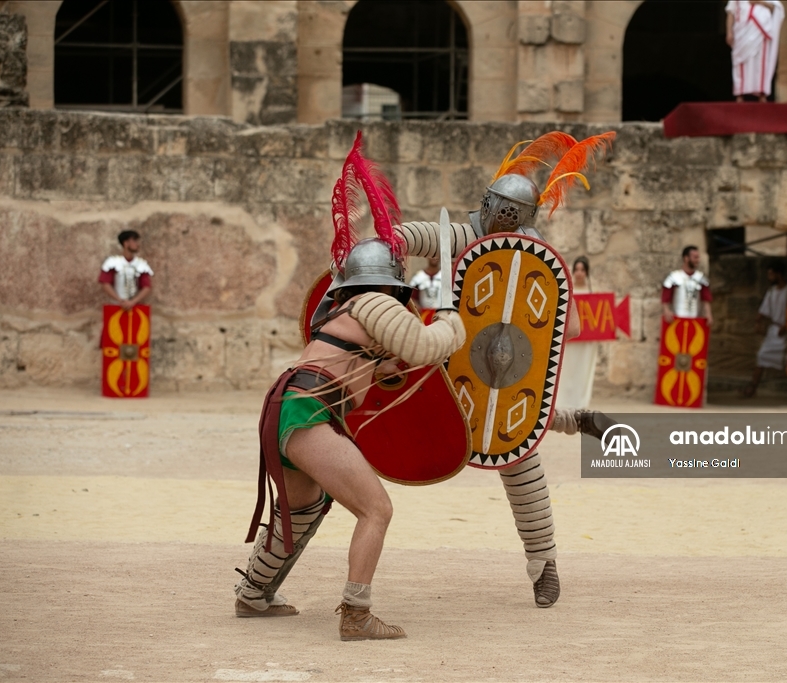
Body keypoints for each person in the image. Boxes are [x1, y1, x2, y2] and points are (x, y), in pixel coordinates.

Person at [234, 133, 467, 641]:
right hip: (307, 413)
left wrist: (389, 367)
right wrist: (450, 313)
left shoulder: (339, 308)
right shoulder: (374, 304)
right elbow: (429, 346)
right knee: (376, 508)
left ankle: (253, 594)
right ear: (390, 282)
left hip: (289, 408)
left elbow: (378, 366)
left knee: (303, 507)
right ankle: (356, 615)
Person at [393, 131, 619, 609]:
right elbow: (423, 235)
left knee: (516, 452)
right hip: (449, 358)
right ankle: (574, 421)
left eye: (513, 218)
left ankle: (544, 565)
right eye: (503, 214)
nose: (504, 222)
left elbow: (568, 326)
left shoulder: (535, 256)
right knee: (414, 412)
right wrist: (387, 243)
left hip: (500, 368)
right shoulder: (465, 235)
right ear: (490, 205)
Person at [742, 262, 787, 398]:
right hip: (774, 331)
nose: (769, 277)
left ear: (779, 274)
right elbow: (764, 311)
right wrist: (758, 322)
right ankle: (753, 387)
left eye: (771, 274)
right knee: (761, 356)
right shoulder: (771, 291)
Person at [557, 256, 599, 410]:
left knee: (582, 369)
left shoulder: (594, 294)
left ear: (586, 272)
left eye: (582, 270)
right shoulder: (567, 291)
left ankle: (580, 402)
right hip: (571, 340)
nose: (579, 273)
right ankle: (562, 401)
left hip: (587, 341)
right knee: (567, 368)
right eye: (577, 269)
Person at [725, 0, 785, 102]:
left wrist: (760, 2)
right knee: (740, 62)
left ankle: (762, 94)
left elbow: (775, 8)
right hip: (741, 31)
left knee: (761, 62)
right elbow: (731, 12)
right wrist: (729, 32)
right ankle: (740, 94)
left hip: (761, 30)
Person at [99, 230, 152, 310]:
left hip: (135, 307)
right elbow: (105, 283)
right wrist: (119, 300)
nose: (137, 244)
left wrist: (133, 302)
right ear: (126, 243)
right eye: (134, 241)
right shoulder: (112, 262)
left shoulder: (141, 264)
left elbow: (146, 286)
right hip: (116, 306)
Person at [661, 246, 714, 326]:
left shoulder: (701, 278)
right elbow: (665, 297)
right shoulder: (674, 277)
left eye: (698, 257)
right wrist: (666, 310)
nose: (698, 260)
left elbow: (706, 298)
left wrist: (708, 314)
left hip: (695, 319)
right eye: (695, 257)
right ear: (686, 258)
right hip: (676, 319)